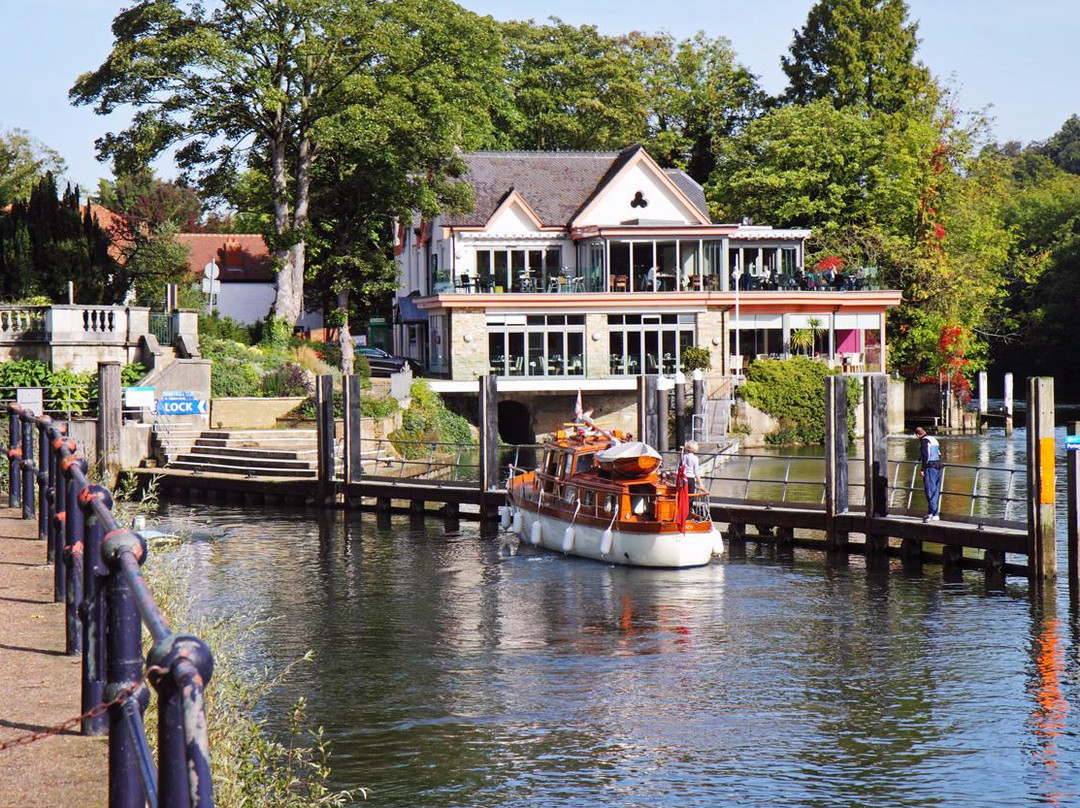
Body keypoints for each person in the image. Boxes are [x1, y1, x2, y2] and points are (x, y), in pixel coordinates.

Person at [915, 427, 943, 522]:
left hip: (930, 467)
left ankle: (934, 513)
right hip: (938, 466)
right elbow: (938, 453)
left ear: (918, 435)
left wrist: (922, 469)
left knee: (929, 490)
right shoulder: (933, 439)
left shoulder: (924, 441)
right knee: (935, 490)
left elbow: (926, 455)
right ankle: (932, 512)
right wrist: (919, 458)